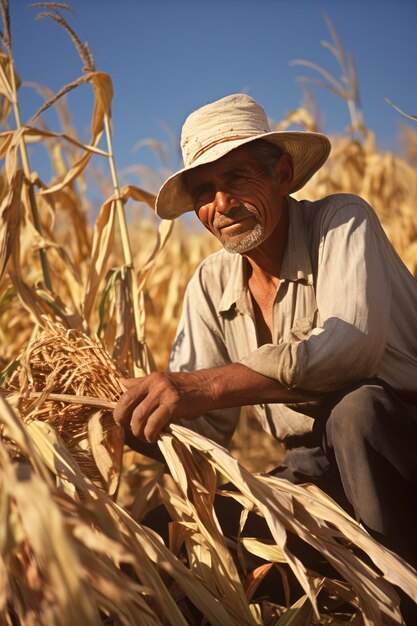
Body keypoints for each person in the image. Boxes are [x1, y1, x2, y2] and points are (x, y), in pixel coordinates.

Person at [114, 94, 417, 575]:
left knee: (356, 410)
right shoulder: (211, 283)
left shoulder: (342, 221)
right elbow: (205, 429)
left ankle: (402, 591)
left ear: (281, 175)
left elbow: (350, 349)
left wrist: (200, 387)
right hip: (313, 470)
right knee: (172, 540)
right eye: (204, 190)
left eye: (237, 177)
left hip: (398, 442)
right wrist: (124, 418)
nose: (221, 204)